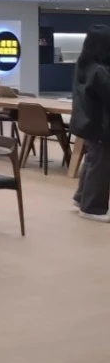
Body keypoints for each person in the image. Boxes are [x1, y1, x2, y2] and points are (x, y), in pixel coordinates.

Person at [70, 24, 110, 222]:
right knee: (101, 165)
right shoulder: (100, 72)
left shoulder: (84, 64)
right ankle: (92, 207)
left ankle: (81, 197)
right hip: (101, 124)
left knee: (92, 160)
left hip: (86, 122)